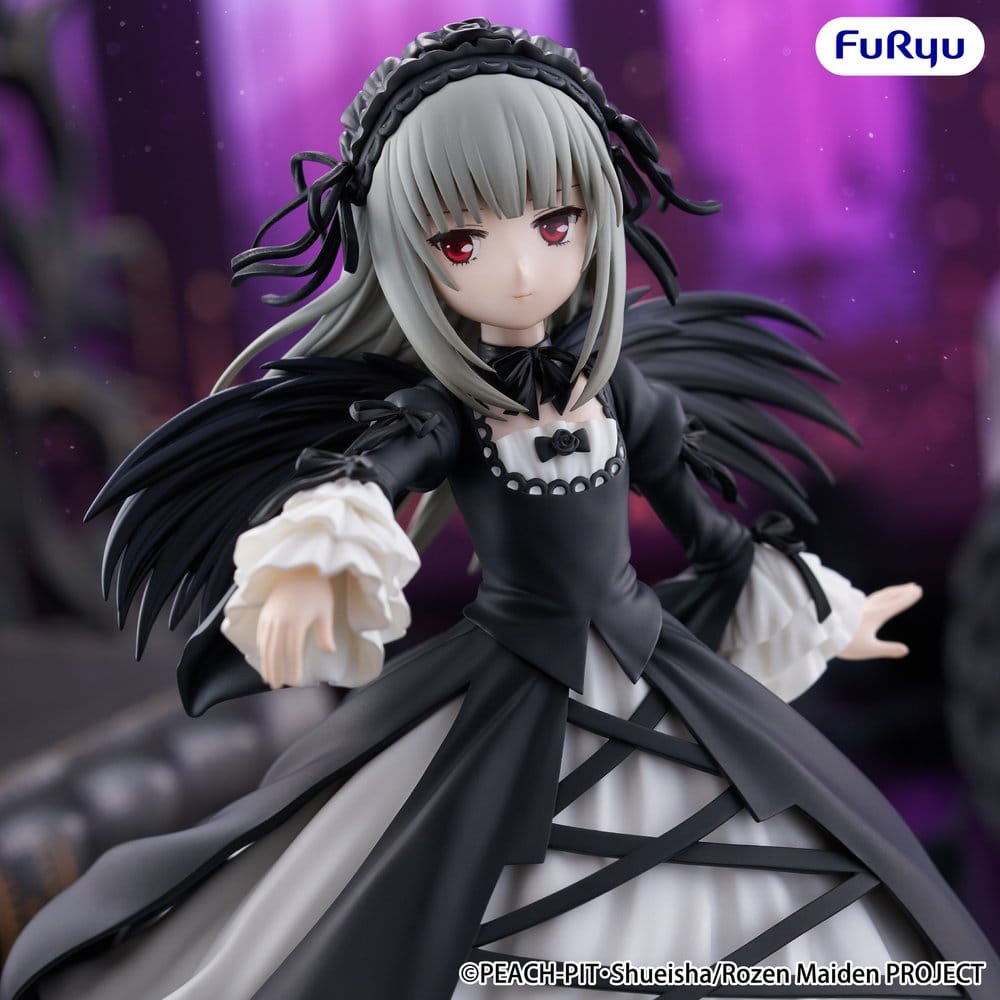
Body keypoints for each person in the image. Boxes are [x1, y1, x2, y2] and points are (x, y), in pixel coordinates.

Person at [2, 18, 996, 1000]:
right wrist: (311, 560)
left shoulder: (626, 398)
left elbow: (713, 539)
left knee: (790, 871)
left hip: (658, 676)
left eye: (555, 225)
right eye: (464, 240)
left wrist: (822, 612)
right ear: (409, 254)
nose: (521, 269)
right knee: (448, 895)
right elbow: (367, 480)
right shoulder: (446, 415)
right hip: (514, 693)